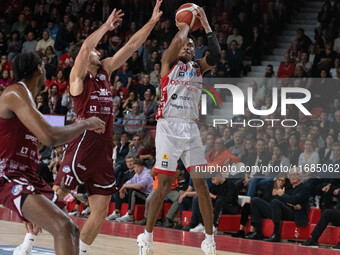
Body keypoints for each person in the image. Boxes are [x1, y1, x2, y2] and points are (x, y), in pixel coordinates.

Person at [53, 4, 163, 255]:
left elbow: (132, 46)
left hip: (104, 148)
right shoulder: (78, 77)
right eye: (95, 50)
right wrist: (105, 26)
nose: (97, 52)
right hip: (84, 141)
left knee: (101, 209)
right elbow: (84, 49)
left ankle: (79, 251)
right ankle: (28, 244)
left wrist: (152, 22)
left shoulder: (105, 70)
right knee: (59, 194)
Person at [0, 52, 105, 255]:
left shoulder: (30, 104)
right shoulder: (15, 92)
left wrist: (27, 209)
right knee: (63, 228)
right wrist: (86, 123)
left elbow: (37, 143)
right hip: (8, 175)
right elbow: (50, 137)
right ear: (40, 69)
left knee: (72, 230)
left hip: (27, 177)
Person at [137, 5, 221, 255]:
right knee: (162, 186)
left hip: (190, 129)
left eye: (192, 46)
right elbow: (174, 46)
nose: (188, 47)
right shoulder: (168, 64)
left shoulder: (198, 67)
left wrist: (204, 23)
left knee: (202, 186)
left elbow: (215, 54)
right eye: (185, 45)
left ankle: (209, 239)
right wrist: (185, 25)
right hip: (168, 127)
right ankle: (147, 237)